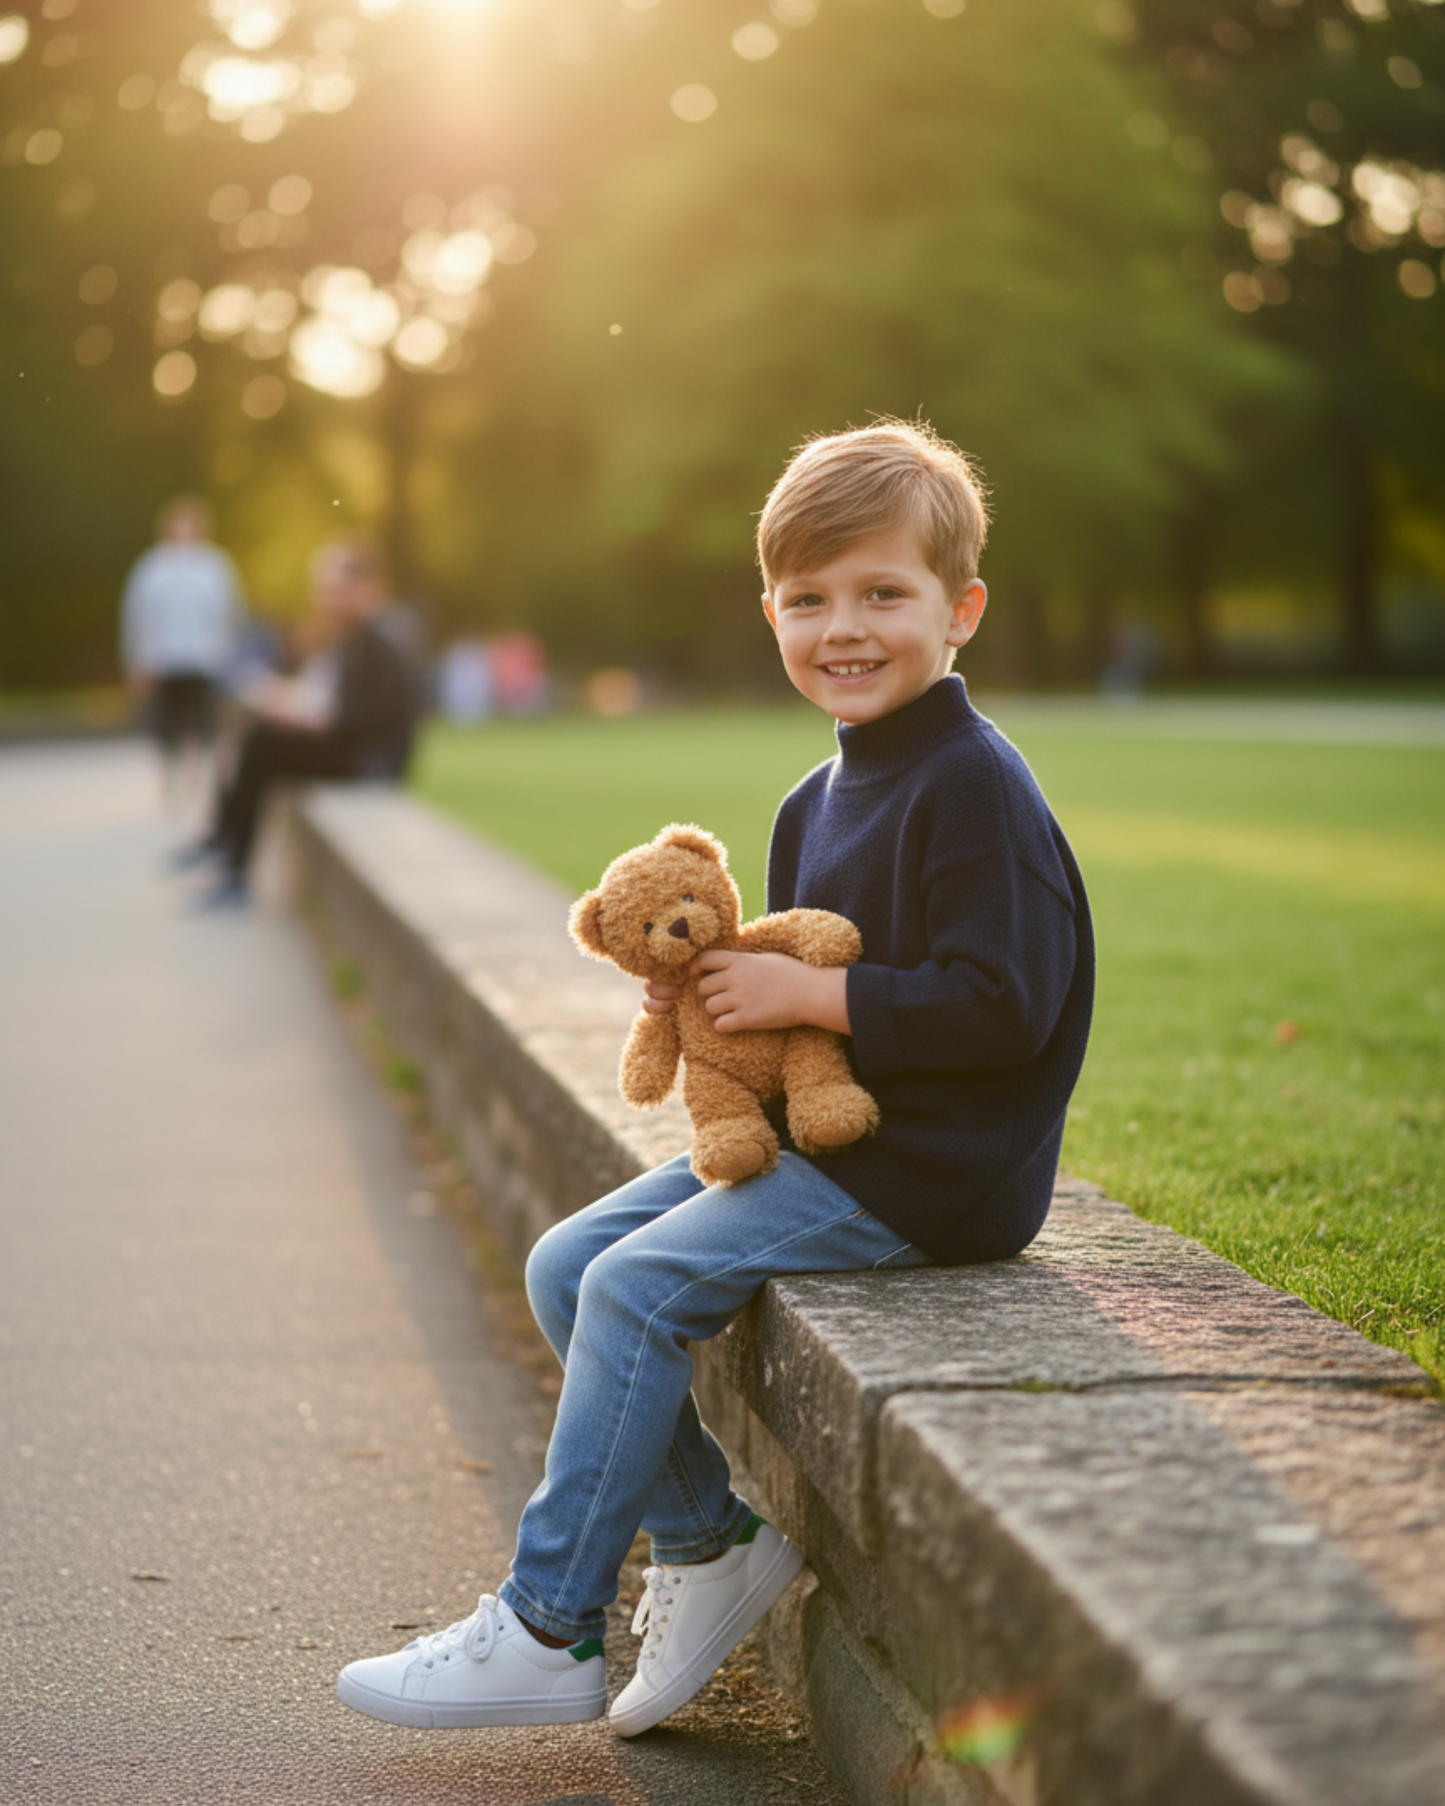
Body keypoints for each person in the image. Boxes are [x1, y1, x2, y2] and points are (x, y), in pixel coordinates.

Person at [336, 421, 1094, 1737]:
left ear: (959, 610)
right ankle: (709, 1545)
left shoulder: (973, 785)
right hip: (831, 1137)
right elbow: (789, 984)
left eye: (882, 594)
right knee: (567, 1265)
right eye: (809, 599)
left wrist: (810, 997)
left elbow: (1007, 1007)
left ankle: (545, 1620)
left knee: (634, 1287)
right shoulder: (816, 799)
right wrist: (714, 1002)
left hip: (938, 1169)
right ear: (770, 612)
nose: (842, 628)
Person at [180, 534, 416, 907]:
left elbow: (346, 717)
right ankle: (224, 846)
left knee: (261, 744)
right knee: (255, 737)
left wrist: (297, 714)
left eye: (338, 589)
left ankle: (232, 866)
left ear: (364, 587)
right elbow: (330, 703)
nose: (329, 598)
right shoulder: (356, 638)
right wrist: (291, 706)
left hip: (369, 762)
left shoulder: (379, 641)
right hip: (356, 750)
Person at [119, 495, 243, 816]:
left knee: (198, 724)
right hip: (163, 659)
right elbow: (138, 616)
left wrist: (227, 655)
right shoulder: (152, 568)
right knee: (165, 724)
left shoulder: (214, 566)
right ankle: (168, 783)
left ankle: (194, 781)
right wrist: (136, 657)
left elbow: (229, 613)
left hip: (203, 658)